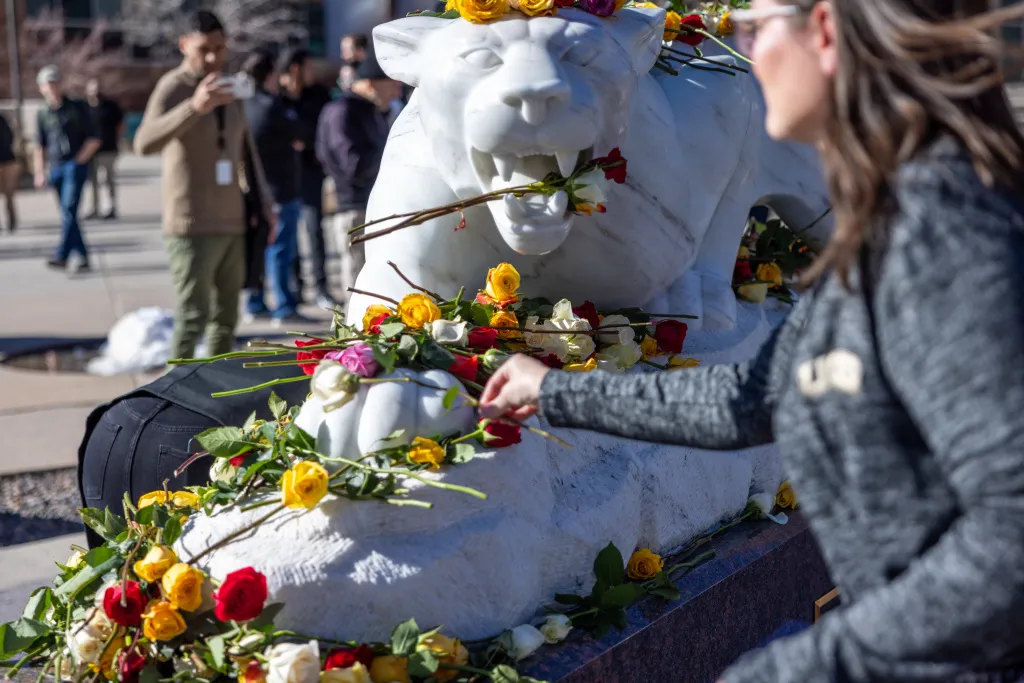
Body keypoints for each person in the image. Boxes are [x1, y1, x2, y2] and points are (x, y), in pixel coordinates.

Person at [479, 1, 1024, 682]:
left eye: (755, 28)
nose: (745, 55)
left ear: (824, 30)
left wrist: (795, 670)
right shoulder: (892, 222)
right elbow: (752, 398)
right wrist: (553, 389)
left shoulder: (943, 231)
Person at [134, 10, 273, 361]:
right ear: (184, 45)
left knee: (226, 320)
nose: (212, 57)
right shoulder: (174, 86)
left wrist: (265, 205)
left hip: (232, 220)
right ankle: (170, 397)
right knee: (193, 317)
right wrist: (193, 107)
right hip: (190, 224)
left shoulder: (231, 86)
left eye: (219, 48)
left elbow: (246, 152)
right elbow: (143, 143)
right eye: (203, 49)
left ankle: (211, 392)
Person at [316, 55, 401, 308]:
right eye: (392, 83)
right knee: (358, 285)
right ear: (371, 83)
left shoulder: (371, 111)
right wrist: (393, 154)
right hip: (354, 208)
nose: (397, 90)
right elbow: (353, 164)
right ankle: (356, 341)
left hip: (372, 204)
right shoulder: (343, 111)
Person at [242, 49, 306, 325]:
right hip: (281, 186)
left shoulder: (244, 106)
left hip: (255, 188)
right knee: (280, 249)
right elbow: (303, 131)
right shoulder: (272, 106)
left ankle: (255, 302)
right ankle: (283, 305)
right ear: (270, 76)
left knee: (259, 247)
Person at [278, 47, 336, 313]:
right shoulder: (279, 99)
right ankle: (296, 287)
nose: (314, 71)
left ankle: (321, 288)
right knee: (289, 233)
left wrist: (307, 142)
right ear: (295, 68)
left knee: (315, 230)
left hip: (312, 172)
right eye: (309, 66)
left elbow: (324, 131)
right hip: (286, 175)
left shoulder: (319, 96)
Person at [34, 65, 101, 273]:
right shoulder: (43, 113)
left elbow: (95, 137)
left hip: (74, 164)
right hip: (56, 166)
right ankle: (82, 256)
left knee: (70, 208)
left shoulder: (77, 107)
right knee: (66, 213)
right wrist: (39, 171)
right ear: (41, 88)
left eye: (55, 83)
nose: (52, 88)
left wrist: (81, 159)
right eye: (48, 84)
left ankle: (62, 254)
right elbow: (40, 145)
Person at [84, 78, 124, 220]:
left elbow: (120, 125)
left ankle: (111, 207)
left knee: (108, 180)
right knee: (92, 181)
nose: (95, 91)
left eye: (97, 87)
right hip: (90, 152)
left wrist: (117, 141)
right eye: (92, 88)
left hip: (108, 149)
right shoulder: (85, 108)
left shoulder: (110, 106)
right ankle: (94, 208)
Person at [0, 112, 18, 234]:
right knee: (9, 193)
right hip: (8, 158)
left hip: (7, 160)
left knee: (9, 193)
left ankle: (12, 219)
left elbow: (10, 137)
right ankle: (11, 220)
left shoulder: (2, 119)